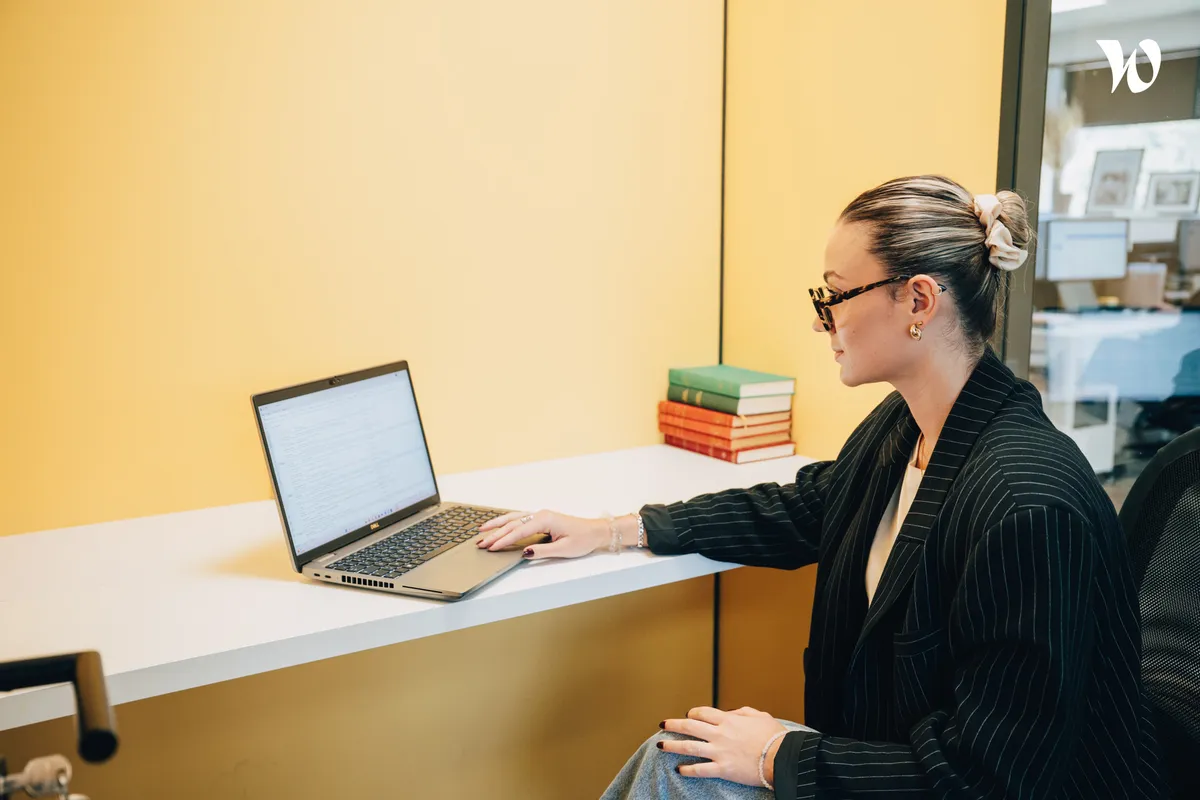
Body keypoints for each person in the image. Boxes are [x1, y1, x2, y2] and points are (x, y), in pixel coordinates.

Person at [477, 175, 1167, 799]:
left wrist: (780, 756)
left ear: (918, 300)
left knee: (676, 769)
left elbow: (989, 779)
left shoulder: (1025, 506)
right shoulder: (910, 426)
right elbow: (806, 507)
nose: (821, 317)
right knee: (675, 756)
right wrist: (613, 529)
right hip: (902, 765)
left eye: (835, 293)